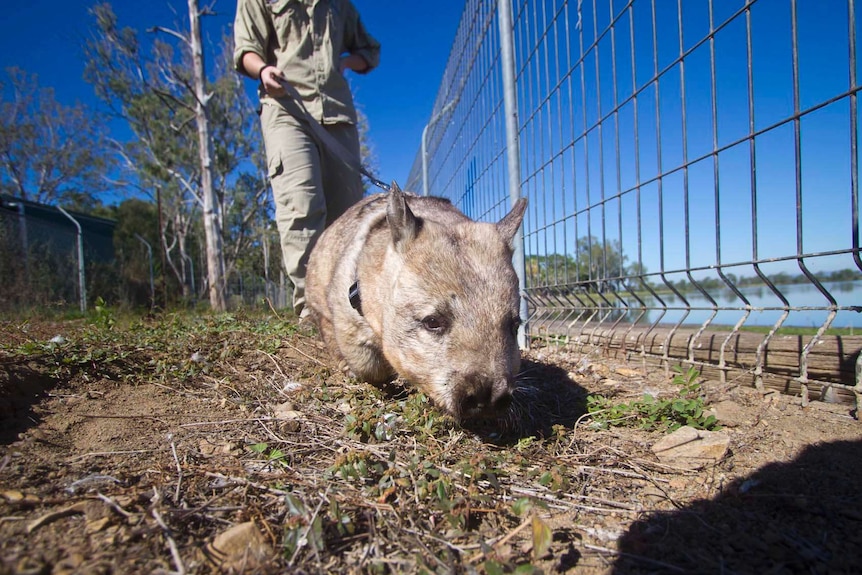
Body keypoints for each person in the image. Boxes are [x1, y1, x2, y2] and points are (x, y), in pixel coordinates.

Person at [233, 0, 380, 317]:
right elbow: (245, 49)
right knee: (302, 203)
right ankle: (311, 311)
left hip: (337, 114)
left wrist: (344, 62)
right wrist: (262, 69)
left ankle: (348, 308)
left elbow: (370, 51)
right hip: (286, 109)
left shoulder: (339, 4)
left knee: (348, 216)